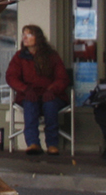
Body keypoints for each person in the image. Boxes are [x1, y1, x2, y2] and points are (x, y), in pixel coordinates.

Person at [6, 24, 72, 155]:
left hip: (51, 94)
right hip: (29, 94)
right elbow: (11, 77)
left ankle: (52, 144)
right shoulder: (20, 57)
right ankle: (33, 143)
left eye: (29, 34)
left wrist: (52, 90)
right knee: (30, 105)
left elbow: (62, 78)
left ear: (38, 38)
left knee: (50, 105)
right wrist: (25, 89)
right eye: (23, 34)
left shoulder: (52, 56)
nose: (25, 37)